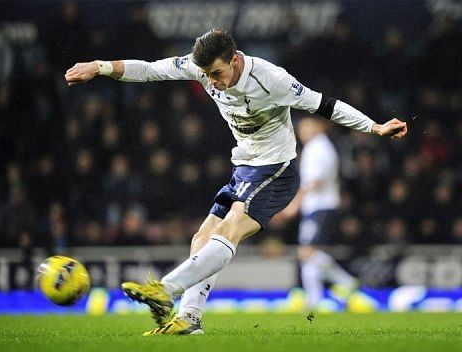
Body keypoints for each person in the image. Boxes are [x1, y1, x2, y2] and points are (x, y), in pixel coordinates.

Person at [65, 29, 407, 335]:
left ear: (235, 60)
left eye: (217, 73)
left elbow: (326, 106)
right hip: (244, 167)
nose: (212, 82)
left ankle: (165, 290)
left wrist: (375, 127)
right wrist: (100, 66)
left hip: (275, 170)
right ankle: (190, 318)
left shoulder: (272, 79)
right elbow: (151, 69)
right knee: (202, 237)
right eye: (207, 75)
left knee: (230, 229)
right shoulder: (200, 68)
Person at [280, 117, 358, 310]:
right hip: (317, 207)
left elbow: (314, 182)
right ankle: (313, 300)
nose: (302, 131)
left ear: (318, 127)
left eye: (307, 127)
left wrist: (294, 204)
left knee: (308, 251)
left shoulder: (319, 148)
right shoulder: (318, 147)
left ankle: (345, 281)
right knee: (309, 254)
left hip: (320, 207)